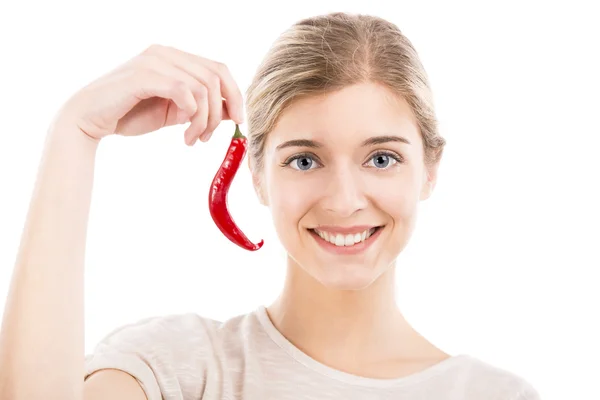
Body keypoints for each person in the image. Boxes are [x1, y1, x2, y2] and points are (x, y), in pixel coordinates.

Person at [0, 11, 540, 400]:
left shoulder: (495, 393)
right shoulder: (180, 368)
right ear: (256, 175)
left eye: (381, 159)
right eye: (305, 161)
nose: (345, 201)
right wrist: (75, 132)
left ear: (431, 169)